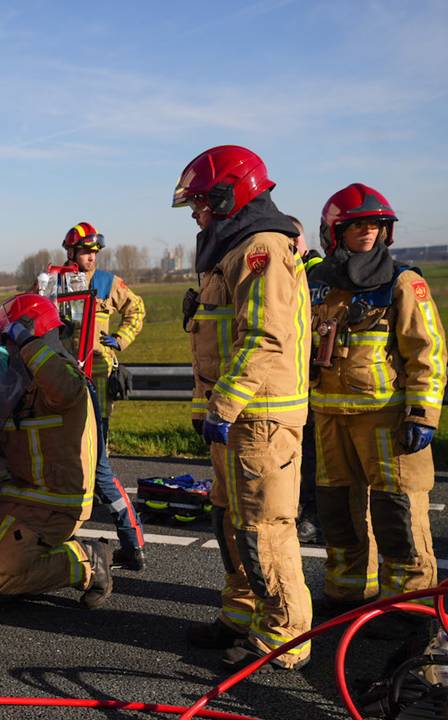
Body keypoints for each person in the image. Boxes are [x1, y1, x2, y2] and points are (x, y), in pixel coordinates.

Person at [173, 145, 312, 670]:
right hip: (236, 416)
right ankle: (241, 615)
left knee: (265, 528)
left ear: (229, 195)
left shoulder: (262, 248)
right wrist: (210, 407)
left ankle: (284, 637)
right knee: (230, 519)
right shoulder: (231, 250)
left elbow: (264, 336)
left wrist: (224, 405)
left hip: (260, 416)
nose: (195, 213)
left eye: (201, 202)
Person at [308, 183, 444, 613]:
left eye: (375, 225)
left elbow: (428, 351)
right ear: (335, 233)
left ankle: (408, 607)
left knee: (396, 514)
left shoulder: (403, 282)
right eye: (357, 226)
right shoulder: (318, 285)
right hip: (329, 416)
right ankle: (348, 591)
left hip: (387, 419)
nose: (368, 231)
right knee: (337, 512)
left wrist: (421, 414)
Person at [0, 293, 114, 608]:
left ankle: (86, 560)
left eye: (10, 341)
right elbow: (14, 441)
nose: (8, 349)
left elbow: (64, 387)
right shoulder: (24, 385)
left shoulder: (64, 377)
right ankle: (17, 563)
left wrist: (27, 341)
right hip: (21, 491)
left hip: (53, 500)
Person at [60, 223, 148, 571]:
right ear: (71, 253)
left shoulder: (108, 283)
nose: (91, 258)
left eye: (95, 253)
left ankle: (130, 540)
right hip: (64, 380)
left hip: (97, 379)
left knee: (98, 461)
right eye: (85, 252)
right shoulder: (55, 283)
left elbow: (136, 310)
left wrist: (120, 340)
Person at [286, 215, 324, 545]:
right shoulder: (287, 272)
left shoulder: (320, 276)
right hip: (295, 379)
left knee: (312, 453)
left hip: (318, 380)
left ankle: (313, 514)